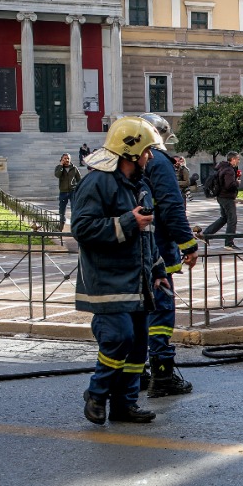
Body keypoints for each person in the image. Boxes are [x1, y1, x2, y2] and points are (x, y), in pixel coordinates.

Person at [70, 116, 161, 425]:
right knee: (119, 337)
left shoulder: (139, 185)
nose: (150, 157)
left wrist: (158, 270)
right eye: (147, 151)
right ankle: (97, 395)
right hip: (108, 280)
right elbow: (82, 228)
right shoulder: (97, 182)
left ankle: (124, 405)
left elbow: (147, 234)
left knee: (137, 346)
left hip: (137, 280)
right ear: (130, 152)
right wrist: (127, 221)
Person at [138, 113, 200, 398]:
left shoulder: (119, 162)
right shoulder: (159, 162)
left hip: (130, 251)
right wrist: (188, 244)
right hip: (158, 251)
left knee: (137, 313)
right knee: (160, 310)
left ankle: (135, 373)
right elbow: (171, 206)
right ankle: (162, 375)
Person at [200, 152, 241, 248]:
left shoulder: (222, 167)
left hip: (221, 196)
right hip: (227, 198)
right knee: (232, 220)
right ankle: (229, 243)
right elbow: (229, 185)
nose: (238, 161)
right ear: (233, 159)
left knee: (224, 218)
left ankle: (206, 234)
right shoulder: (229, 170)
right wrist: (237, 182)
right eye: (238, 159)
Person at [54, 153, 82, 229]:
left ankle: (74, 225)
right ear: (62, 159)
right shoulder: (59, 167)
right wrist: (61, 165)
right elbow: (57, 175)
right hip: (63, 191)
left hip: (73, 191)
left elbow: (79, 180)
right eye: (65, 158)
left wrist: (78, 189)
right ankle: (62, 223)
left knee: (74, 208)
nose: (67, 160)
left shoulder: (74, 168)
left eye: (68, 158)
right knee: (62, 209)